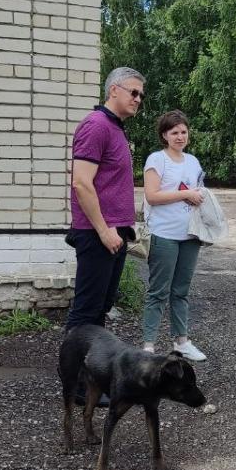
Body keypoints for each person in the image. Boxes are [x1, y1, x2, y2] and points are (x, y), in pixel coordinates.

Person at [66, 66, 144, 342]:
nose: (138, 99)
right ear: (114, 90)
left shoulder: (114, 129)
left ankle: (91, 378)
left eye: (141, 95)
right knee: (86, 314)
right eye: (133, 92)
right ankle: (72, 381)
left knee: (100, 311)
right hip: (98, 234)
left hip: (114, 233)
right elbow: (81, 183)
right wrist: (103, 230)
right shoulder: (96, 125)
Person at [141, 110, 207, 361]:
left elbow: (199, 192)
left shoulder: (193, 161)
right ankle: (148, 346)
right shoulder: (157, 160)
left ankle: (182, 341)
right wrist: (185, 194)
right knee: (158, 291)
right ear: (164, 136)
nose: (180, 136)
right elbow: (152, 196)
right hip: (164, 234)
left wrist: (199, 197)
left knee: (181, 291)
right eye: (174, 132)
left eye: (183, 131)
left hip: (190, 235)